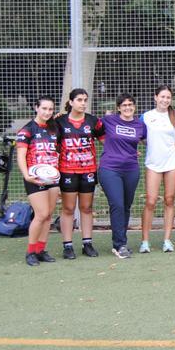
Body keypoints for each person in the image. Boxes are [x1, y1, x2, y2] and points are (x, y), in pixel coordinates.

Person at [56, 88, 104, 259]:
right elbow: (52, 145)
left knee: (86, 207)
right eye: (79, 100)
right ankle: (67, 246)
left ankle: (87, 243)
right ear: (70, 102)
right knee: (68, 208)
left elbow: (106, 140)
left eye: (85, 100)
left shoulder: (93, 121)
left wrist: (125, 151)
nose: (83, 103)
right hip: (67, 170)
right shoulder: (59, 122)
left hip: (88, 170)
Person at [98, 93, 147, 259]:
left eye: (130, 104)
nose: (128, 107)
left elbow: (148, 141)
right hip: (110, 169)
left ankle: (122, 242)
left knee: (126, 205)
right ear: (118, 108)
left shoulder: (140, 125)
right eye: (124, 105)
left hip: (131, 169)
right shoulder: (108, 120)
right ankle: (119, 245)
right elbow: (90, 126)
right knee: (117, 204)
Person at [17, 96, 61, 266]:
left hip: (52, 176)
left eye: (50, 109)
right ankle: (30, 252)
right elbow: (20, 155)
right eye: (44, 109)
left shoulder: (54, 128)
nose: (47, 112)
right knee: (41, 214)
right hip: (34, 177)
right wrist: (26, 174)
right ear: (36, 108)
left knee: (48, 215)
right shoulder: (27, 130)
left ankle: (41, 250)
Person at [140, 85, 175, 253]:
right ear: (155, 97)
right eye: (162, 97)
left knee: (169, 199)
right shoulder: (147, 116)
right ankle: (145, 241)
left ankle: (167, 240)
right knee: (150, 201)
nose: (165, 100)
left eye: (168, 97)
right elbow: (141, 137)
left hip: (172, 162)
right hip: (153, 163)